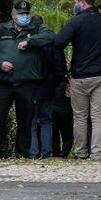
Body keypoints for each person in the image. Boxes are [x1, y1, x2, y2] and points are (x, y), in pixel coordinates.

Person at [0, 0, 54, 158]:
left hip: (26, 83)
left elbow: (51, 37)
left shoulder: (35, 29)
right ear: (13, 14)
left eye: (26, 13)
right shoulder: (1, 30)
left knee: (26, 121)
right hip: (4, 82)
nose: (24, 16)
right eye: (20, 14)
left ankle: (22, 154)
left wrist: (30, 42)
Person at [54, 0, 101, 160]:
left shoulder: (75, 22)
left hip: (80, 76)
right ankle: (97, 153)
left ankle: (81, 152)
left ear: (81, 2)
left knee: (80, 116)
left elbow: (59, 42)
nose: (75, 6)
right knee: (98, 116)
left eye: (75, 2)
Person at [29, 15, 66, 159]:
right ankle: (46, 152)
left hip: (32, 86)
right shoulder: (52, 43)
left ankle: (32, 152)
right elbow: (60, 67)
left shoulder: (29, 42)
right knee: (46, 121)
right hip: (48, 87)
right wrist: (54, 83)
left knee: (32, 121)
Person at [51, 61, 74, 158]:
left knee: (54, 134)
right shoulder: (71, 80)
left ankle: (56, 153)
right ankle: (64, 154)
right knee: (67, 135)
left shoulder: (53, 78)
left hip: (53, 109)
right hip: (66, 111)